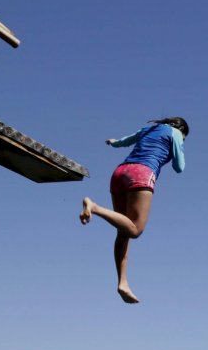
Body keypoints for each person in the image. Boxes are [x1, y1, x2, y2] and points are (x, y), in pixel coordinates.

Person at [79, 117, 189, 303]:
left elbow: (126, 140)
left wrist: (114, 143)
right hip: (142, 172)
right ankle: (95, 207)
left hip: (120, 172)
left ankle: (122, 283)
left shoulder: (149, 129)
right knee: (135, 229)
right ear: (181, 129)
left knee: (124, 231)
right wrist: (180, 145)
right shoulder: (176, 133)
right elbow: (179, 167)